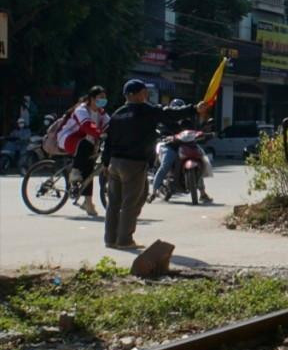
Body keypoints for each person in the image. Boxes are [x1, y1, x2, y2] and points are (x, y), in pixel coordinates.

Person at [103, 80, 209, 249]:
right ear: (135, 95)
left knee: (114, 202)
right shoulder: (146, 111)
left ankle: (110, 239)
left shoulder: (117, 114)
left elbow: (108, 141)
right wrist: (194, 108)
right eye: (144, 92)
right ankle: (124, 240)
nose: (146, 95)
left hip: (115, 163)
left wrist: (104, 163)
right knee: (132, 202)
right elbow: (170, 114)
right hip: (134, 163)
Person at [58, 86, 111, 217]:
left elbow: (110, 125)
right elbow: (87, 126)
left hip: (88, 142)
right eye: (101, 98)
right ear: (92, 98)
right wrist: (100, 134)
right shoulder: (81, 109)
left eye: (105, 98)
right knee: (85, 143)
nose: (103, 100)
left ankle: (88, 203)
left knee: (89, 172)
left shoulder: (101, 113)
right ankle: (74, 172)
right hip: (69, 138)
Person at [149, 99, 212, 203]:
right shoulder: (166, 118)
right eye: (175, 109)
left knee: (200, 158)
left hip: (186, 145)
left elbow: (194, 131)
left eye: (179, 109)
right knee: (166, 164)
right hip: (170, 145)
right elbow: (161, 131)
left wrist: (203, 133)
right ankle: (154, 191)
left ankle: (203, 193)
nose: (177, 112)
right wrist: (165, 137)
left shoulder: (188, 121)